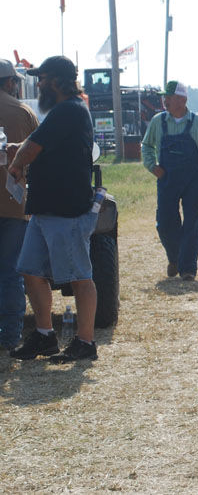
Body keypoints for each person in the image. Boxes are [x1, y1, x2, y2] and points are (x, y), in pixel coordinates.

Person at [7, 56, 99, 361]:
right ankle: (45, 336)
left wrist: (17, 163)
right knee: (30, 270)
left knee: (79, 277)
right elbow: (37, 145)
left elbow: (32, 147)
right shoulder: (63, 111)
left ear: (58, 80)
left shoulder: (69, 109)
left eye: (43, 78)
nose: (40, 84)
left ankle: (85, 342)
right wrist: (19, 153)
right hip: (46, 210)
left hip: (66, 211)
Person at [141, 81, 198, 280]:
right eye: (164, 97)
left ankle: (188, 269)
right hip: (166, 179)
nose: (164, 100)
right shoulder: (159, 121)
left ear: (182, 99)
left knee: (192, 223)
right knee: (165, 222)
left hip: (192, 179)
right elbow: (146, 146)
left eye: (168, 97)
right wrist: (152, 166)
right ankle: (174, 257)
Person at [0, 60, 39, 351]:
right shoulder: (24, 113)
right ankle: (10, 337)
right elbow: (40, 157)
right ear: (12, 83)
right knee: (11, 271)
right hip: (13, 205)